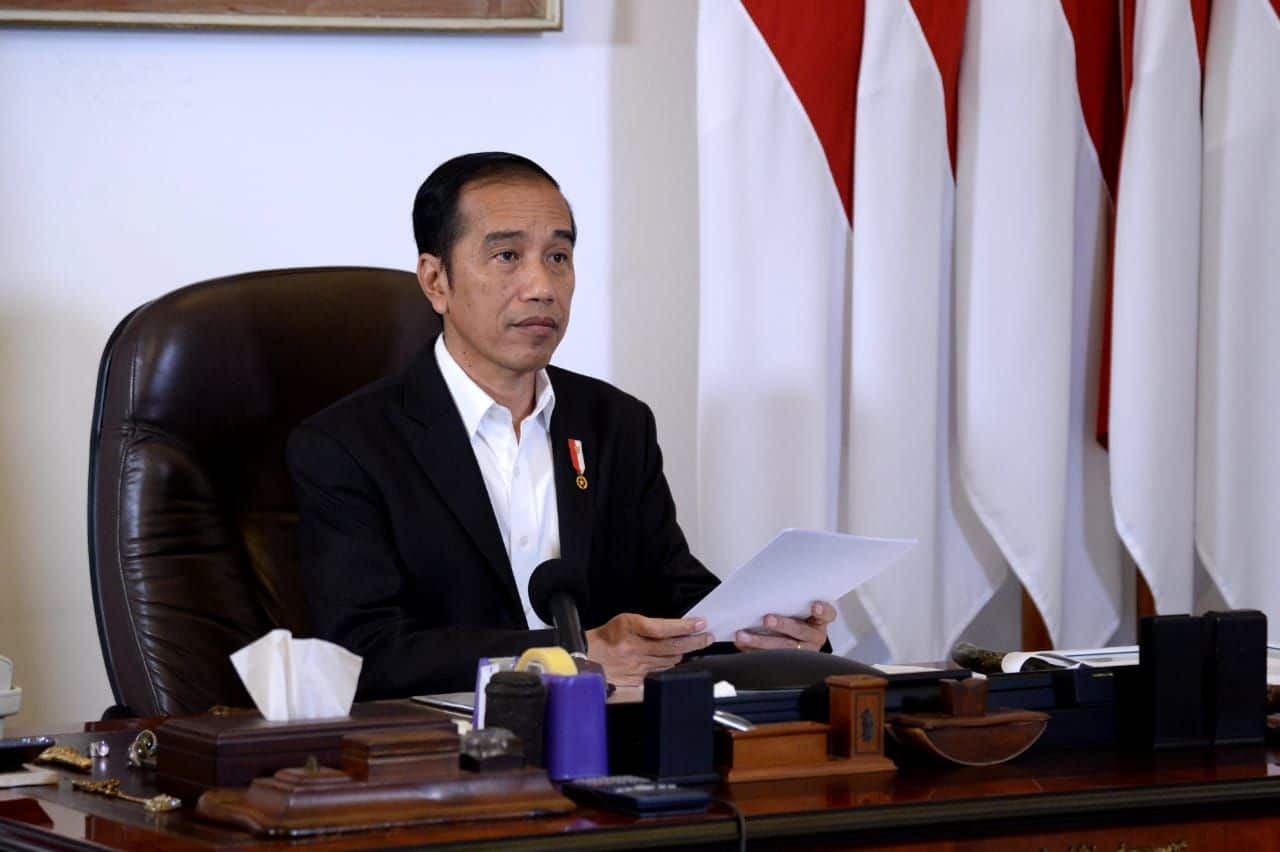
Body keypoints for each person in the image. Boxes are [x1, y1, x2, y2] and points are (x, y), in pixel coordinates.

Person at [288, 152, 835, 699]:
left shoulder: (615, 424)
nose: (541, 286)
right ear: (436, 281)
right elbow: (366, 652)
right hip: (444, 742)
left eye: (557, 257)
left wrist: (763, 634)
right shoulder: (348, 447)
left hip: (613, 733)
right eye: (507, 255)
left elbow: (675, 595)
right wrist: (570, 653)